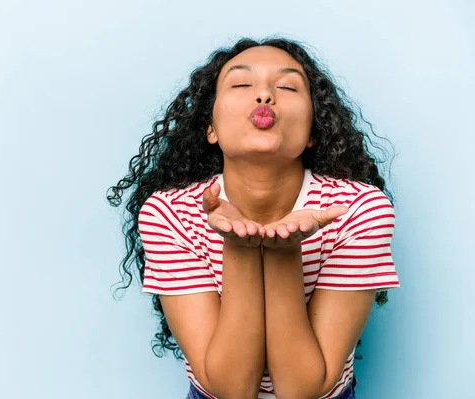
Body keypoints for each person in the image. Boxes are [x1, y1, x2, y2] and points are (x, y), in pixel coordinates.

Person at [107, 36, 400, 399]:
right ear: (209, 128)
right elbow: (231, 390)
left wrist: (283, 252)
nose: (263, 96)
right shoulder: (170, 213)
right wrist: (240, 247)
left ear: (312, 131)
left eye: (287, 86)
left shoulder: (358, 209)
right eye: (242, 84)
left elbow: (302, 390)